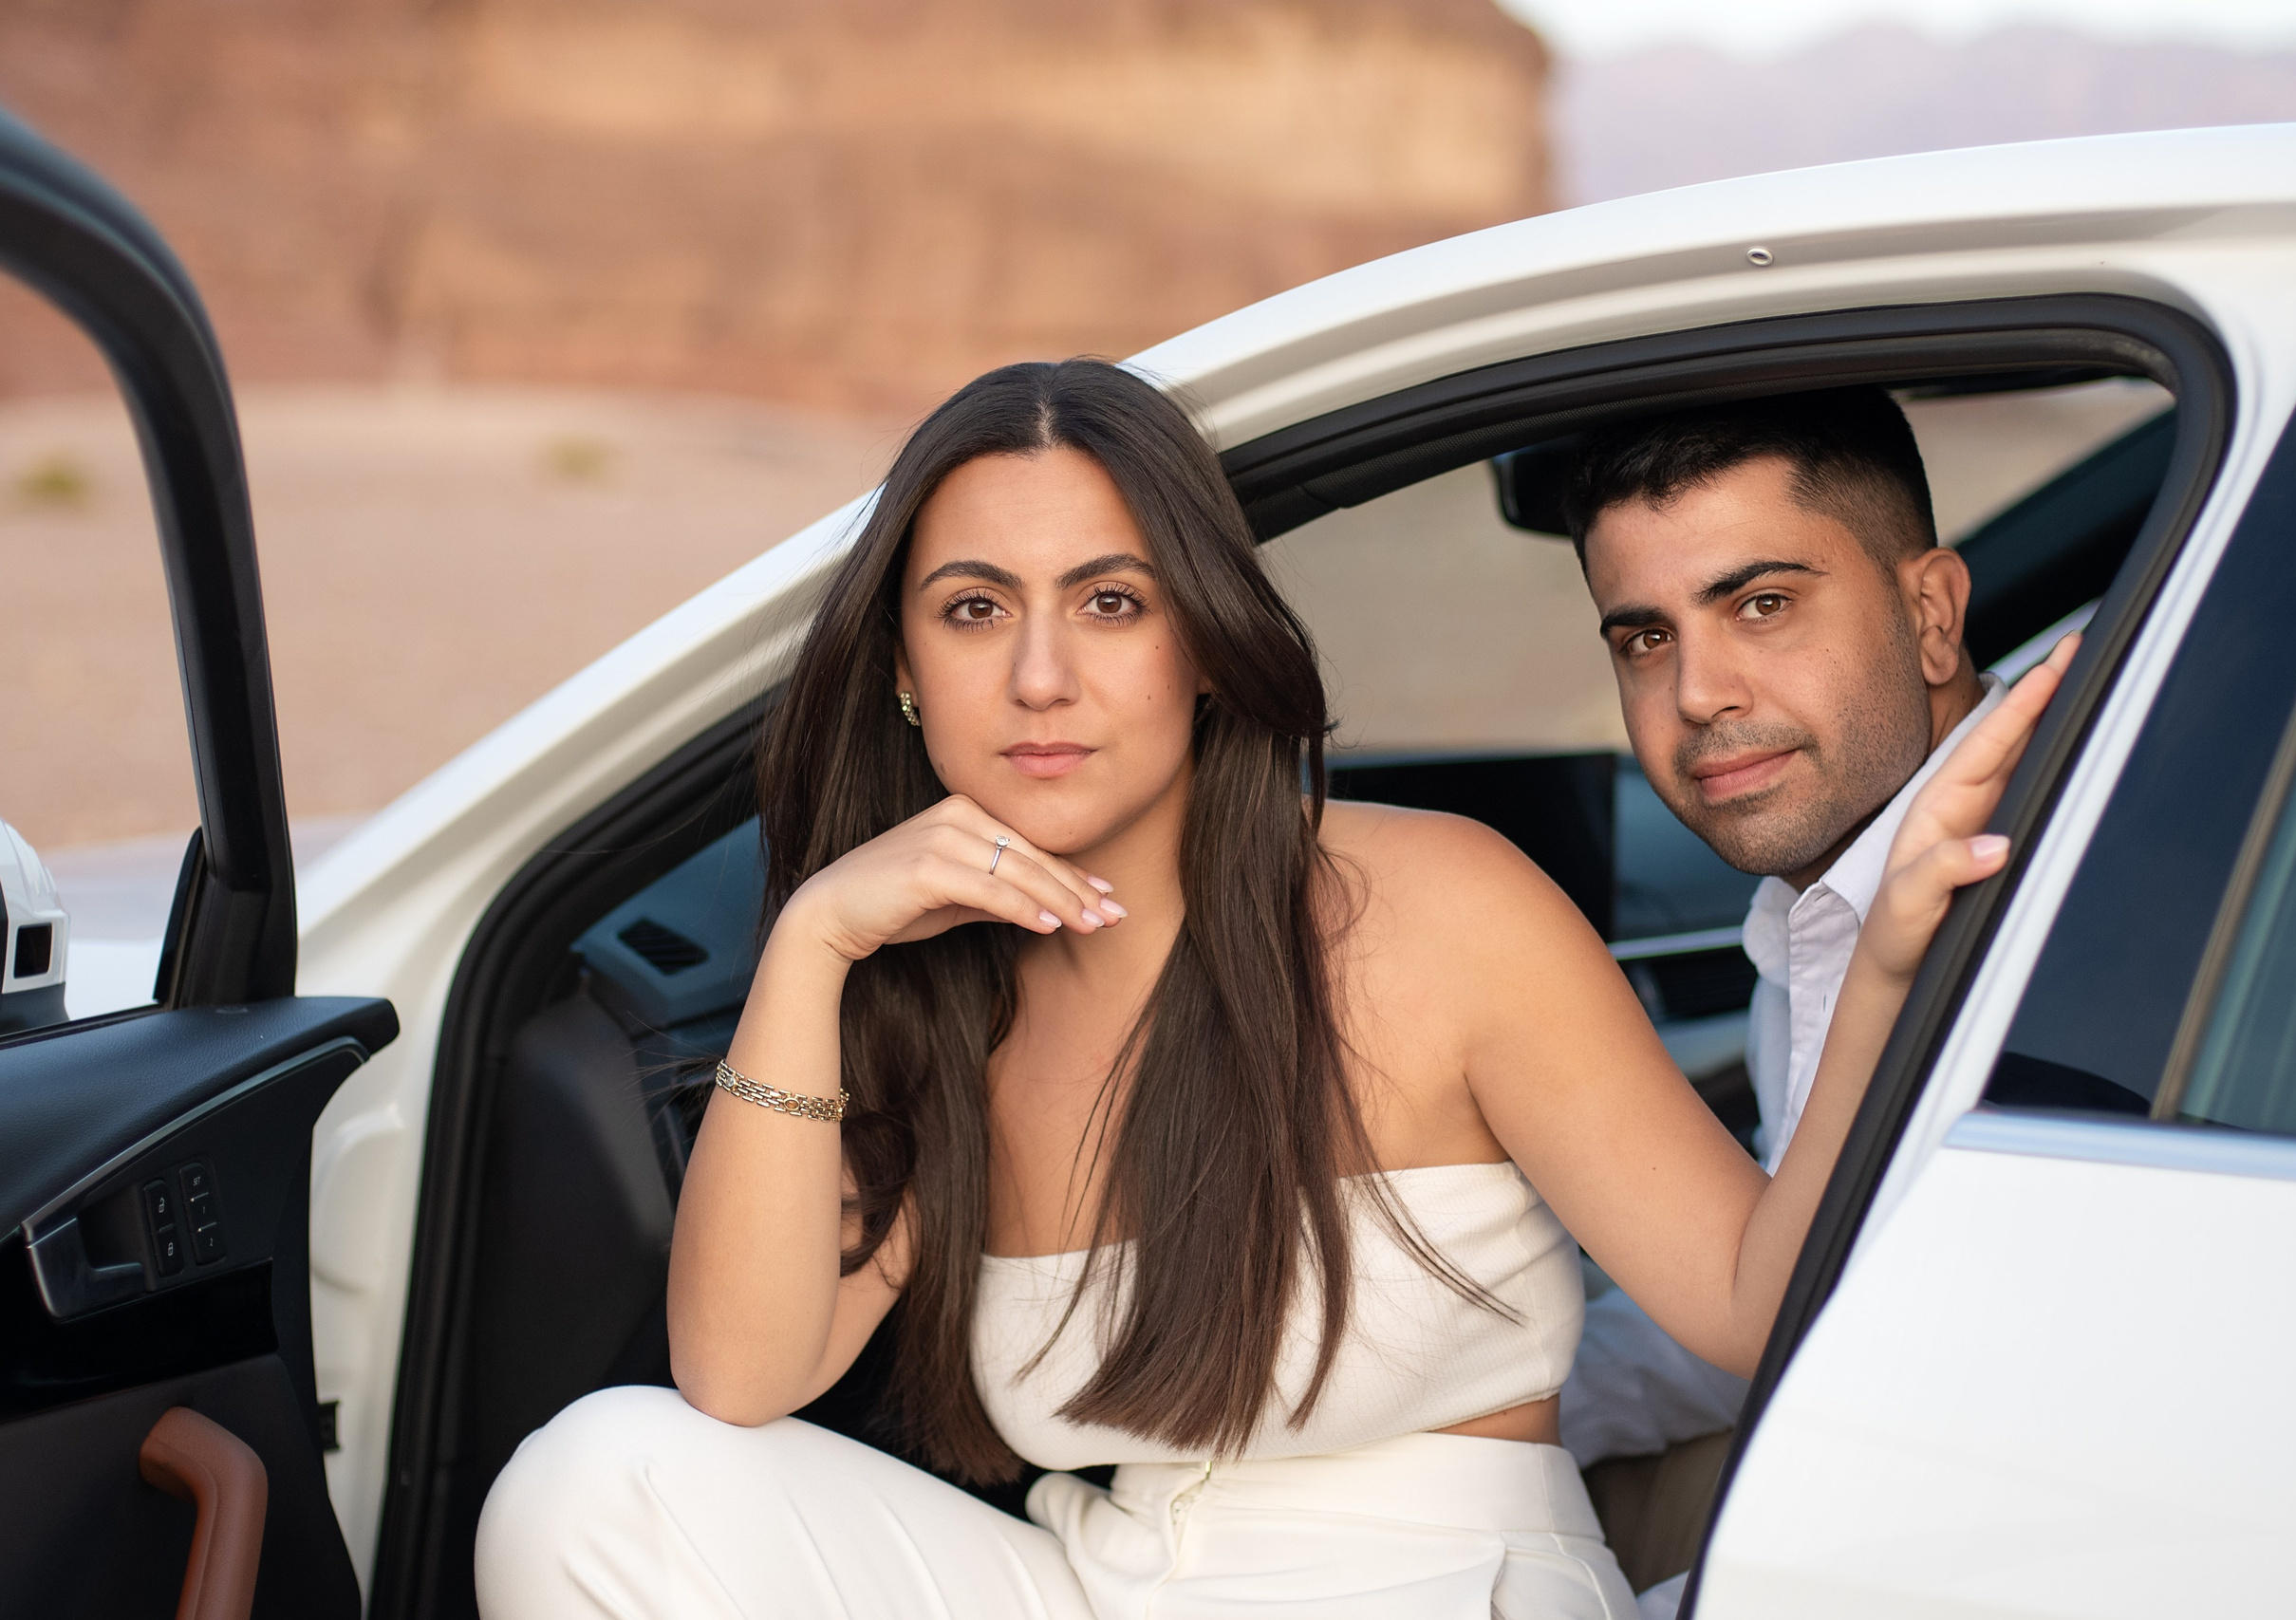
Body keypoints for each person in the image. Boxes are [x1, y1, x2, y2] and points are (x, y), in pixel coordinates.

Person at [475, 360, 2070, 1620]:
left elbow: (1745, 1298)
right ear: (906, 667)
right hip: (1095, 1578)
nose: (1042, 676)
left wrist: (1881, 966)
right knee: (597, 1481)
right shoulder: (929, 992)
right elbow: (741, 1378)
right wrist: (816, 944)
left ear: (1207, 647)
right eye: (976, 610)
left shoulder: (1436, 902)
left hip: (1444, 1589)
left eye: (1110, 602)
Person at [1556, 387, 2011, 1552]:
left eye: (1761, 605)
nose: (1698, 693)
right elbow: (1788, 1301)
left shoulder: (2075, 893)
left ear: (1930, 615)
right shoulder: (1824, 902)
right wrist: (1500, 1413)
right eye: (1645, 637)